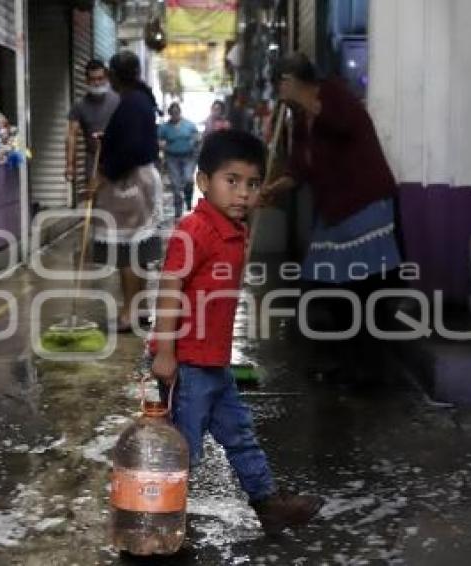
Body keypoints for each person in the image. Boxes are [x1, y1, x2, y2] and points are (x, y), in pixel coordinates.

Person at [151, 130, 323, 535]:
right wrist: (163, 351)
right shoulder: (193, 230)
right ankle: (160, 521)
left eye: (252, 183)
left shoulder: (237, 229)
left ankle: (269, 506)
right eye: (232, 181)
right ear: (202, 182)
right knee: (185, 451)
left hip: (215, 363)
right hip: (187, 364)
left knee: (241, 435)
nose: (242, 193)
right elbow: (170, 288)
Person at [262, 52, 403, 383]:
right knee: (324, 288)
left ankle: (366, 369)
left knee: (362, 291)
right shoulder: (298, 119)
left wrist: (304, 101)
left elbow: (343, 126)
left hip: (363, 206)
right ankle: (342, 360)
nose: (279, 91)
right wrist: (273, 189)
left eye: (281, 83)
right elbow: (299, 170)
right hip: (334, 212)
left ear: (293, 82)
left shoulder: (336, 96)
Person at [90, 51, 163, 332]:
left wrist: (104, 175)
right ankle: (140, 309)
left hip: (130, 183)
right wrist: (108, 139)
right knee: (139, 249)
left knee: (129, 250)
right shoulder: (139, 100)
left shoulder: (132, 102)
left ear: (115, 75)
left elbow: (132, 147)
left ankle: (129, 312)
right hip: (140, 179)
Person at [65, 59, 120, 186]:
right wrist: (69, 165)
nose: (97, 83)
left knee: (117, 201)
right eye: (92, 79)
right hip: (93, 160)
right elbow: (72, 135)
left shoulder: (118, 100)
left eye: (100, 78)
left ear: (106, 79)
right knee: (94, 198)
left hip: (117, 159)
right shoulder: (80, 106)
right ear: (86, 80)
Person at [158, 102, 199, 217]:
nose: (175, 114)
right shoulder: (164, 127)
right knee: (176, 185)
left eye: (177, 112)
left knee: (188, 179)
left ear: (180, 112)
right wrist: (162, 145)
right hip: (172, 158)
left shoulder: (189, 125)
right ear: (170, 114)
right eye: (172, 113)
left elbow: (197, 136)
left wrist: (194, 141)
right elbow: (159, 140)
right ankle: (178, 210)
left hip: (188, 157)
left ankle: (188, 199)